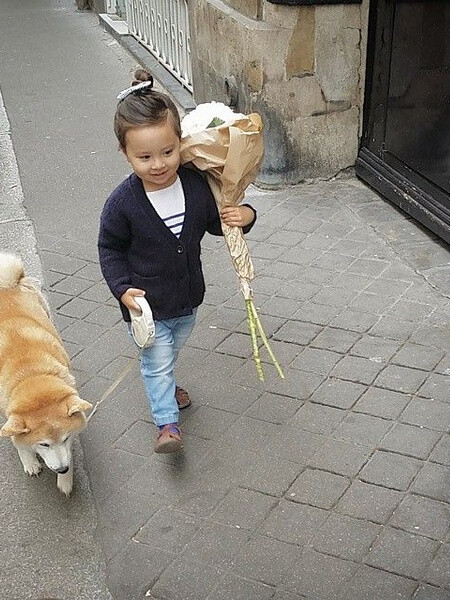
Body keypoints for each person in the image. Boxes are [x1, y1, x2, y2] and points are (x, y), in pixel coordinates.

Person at [98, 70, 256, 453]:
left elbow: (216, 223)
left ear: (180, 143)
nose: (158, 164)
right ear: (125, 153)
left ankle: (165, 382)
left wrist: (245, 216)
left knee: (172, 349)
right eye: (145, 157)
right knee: (157, 361)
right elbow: (109, 249)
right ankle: (167, 425)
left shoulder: (195, 184)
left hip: (187, 299)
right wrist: (121, 290)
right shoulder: (123, 204)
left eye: (167, 152)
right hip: (146, 308)